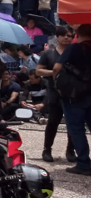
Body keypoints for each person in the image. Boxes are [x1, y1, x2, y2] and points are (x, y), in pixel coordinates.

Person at [52, 24, 91, 175]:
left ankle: (83, 163)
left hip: (74, 96)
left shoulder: (74, 48)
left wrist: (58, 85)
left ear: (78, 35)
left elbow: (56, 68)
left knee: (76, 129)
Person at [36, 26, 76, 162]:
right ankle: (47, 149)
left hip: (72, 92)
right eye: (64, 35)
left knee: (73, 123)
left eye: (69, 36)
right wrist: (54, 72)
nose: (66, 38)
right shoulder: (49, 54)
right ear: (57, 37)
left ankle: (71, 150)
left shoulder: (75, 53)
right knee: (53, 122)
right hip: (54, 92)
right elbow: (38, 71)